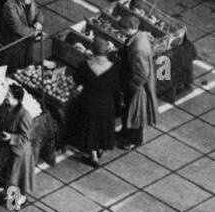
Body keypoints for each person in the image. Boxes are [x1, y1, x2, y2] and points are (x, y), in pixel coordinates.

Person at [65, 36, 119, 167]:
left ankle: (93, 157)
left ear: (93, 51)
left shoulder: (86, 65)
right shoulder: (113, 68)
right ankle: (100, 149)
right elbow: (116, 87)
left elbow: (77, 80)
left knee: (90, 129)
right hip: (107, 103)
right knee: (102, 127)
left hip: (89, 102)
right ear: (107, 51)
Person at [119, 15, 157, 150]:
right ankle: (125, 133)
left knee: (134, 112)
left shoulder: (139, 48)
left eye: (122, 29)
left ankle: (132, 139)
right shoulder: (138, 37)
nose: (120, 31)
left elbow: (142, 72)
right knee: (127, 111)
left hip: (135, 85)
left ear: (129, 29)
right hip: (131, 81)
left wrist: (132, 85)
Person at [0, 83, 36, 209]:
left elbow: (25, 137)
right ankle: (12, 198)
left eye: (8, 95)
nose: (6, 97)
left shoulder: (24, 115)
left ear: (17, 99)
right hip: (11, 149)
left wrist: (11, 137)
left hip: (20, 151)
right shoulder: (6, 106)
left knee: (14, 177)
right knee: (12, 175)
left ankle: (14, 203)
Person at [0, 0, 43, 71]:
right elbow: (17, 27)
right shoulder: (9, 6)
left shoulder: (29, 1)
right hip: (13, 41)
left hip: (26, 38)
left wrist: (39, 22)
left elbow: (38, 12)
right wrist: (34, 32)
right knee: (12, 66)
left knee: (27, 63)